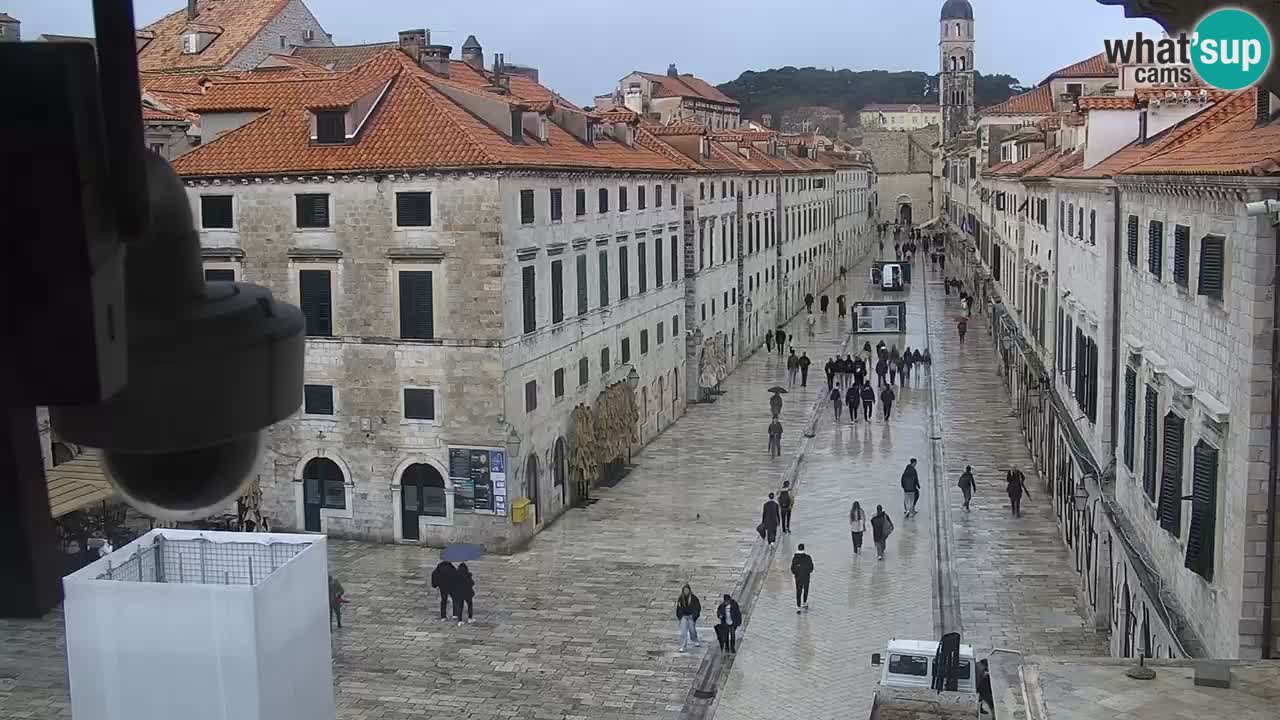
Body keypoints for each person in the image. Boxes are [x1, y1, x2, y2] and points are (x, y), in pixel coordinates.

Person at [675, 584, 702, 652]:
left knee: (692, 630)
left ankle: (694, 639)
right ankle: (683, 645)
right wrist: (680, 616)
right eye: (685, 590)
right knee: (683, 632)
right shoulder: (681, 598)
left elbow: (697, 608)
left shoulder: (693, 598)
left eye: (687, 590)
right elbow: (679, 608)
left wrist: (694, 616)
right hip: (683, 616)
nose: (686, 592)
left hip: (691, 616)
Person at [790, 543, 814, 613]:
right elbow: (811, 567)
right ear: (803, 549)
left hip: (798, 578)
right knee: (806, 589)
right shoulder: (808, 557)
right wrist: (807, 572)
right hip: (806, 577)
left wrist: (796, 573)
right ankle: (804, 602)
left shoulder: (795, 558)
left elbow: (792, 569)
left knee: (798, 591)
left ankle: (798, 606)